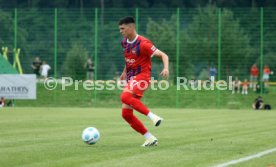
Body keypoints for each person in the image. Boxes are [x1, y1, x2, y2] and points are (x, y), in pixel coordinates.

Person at [118, 16, 169, 147]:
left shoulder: (144, 44)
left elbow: (164, 55)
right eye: (120, 29)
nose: (120, 31)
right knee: (126, 114)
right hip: (131, 78)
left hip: (142, 77)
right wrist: (124, 72)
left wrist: (166, 68)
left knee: (124, 96)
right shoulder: (124, 42)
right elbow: (129, 59)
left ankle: (153, 117)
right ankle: (150, 138)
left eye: (122, 28)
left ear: (131, 28)